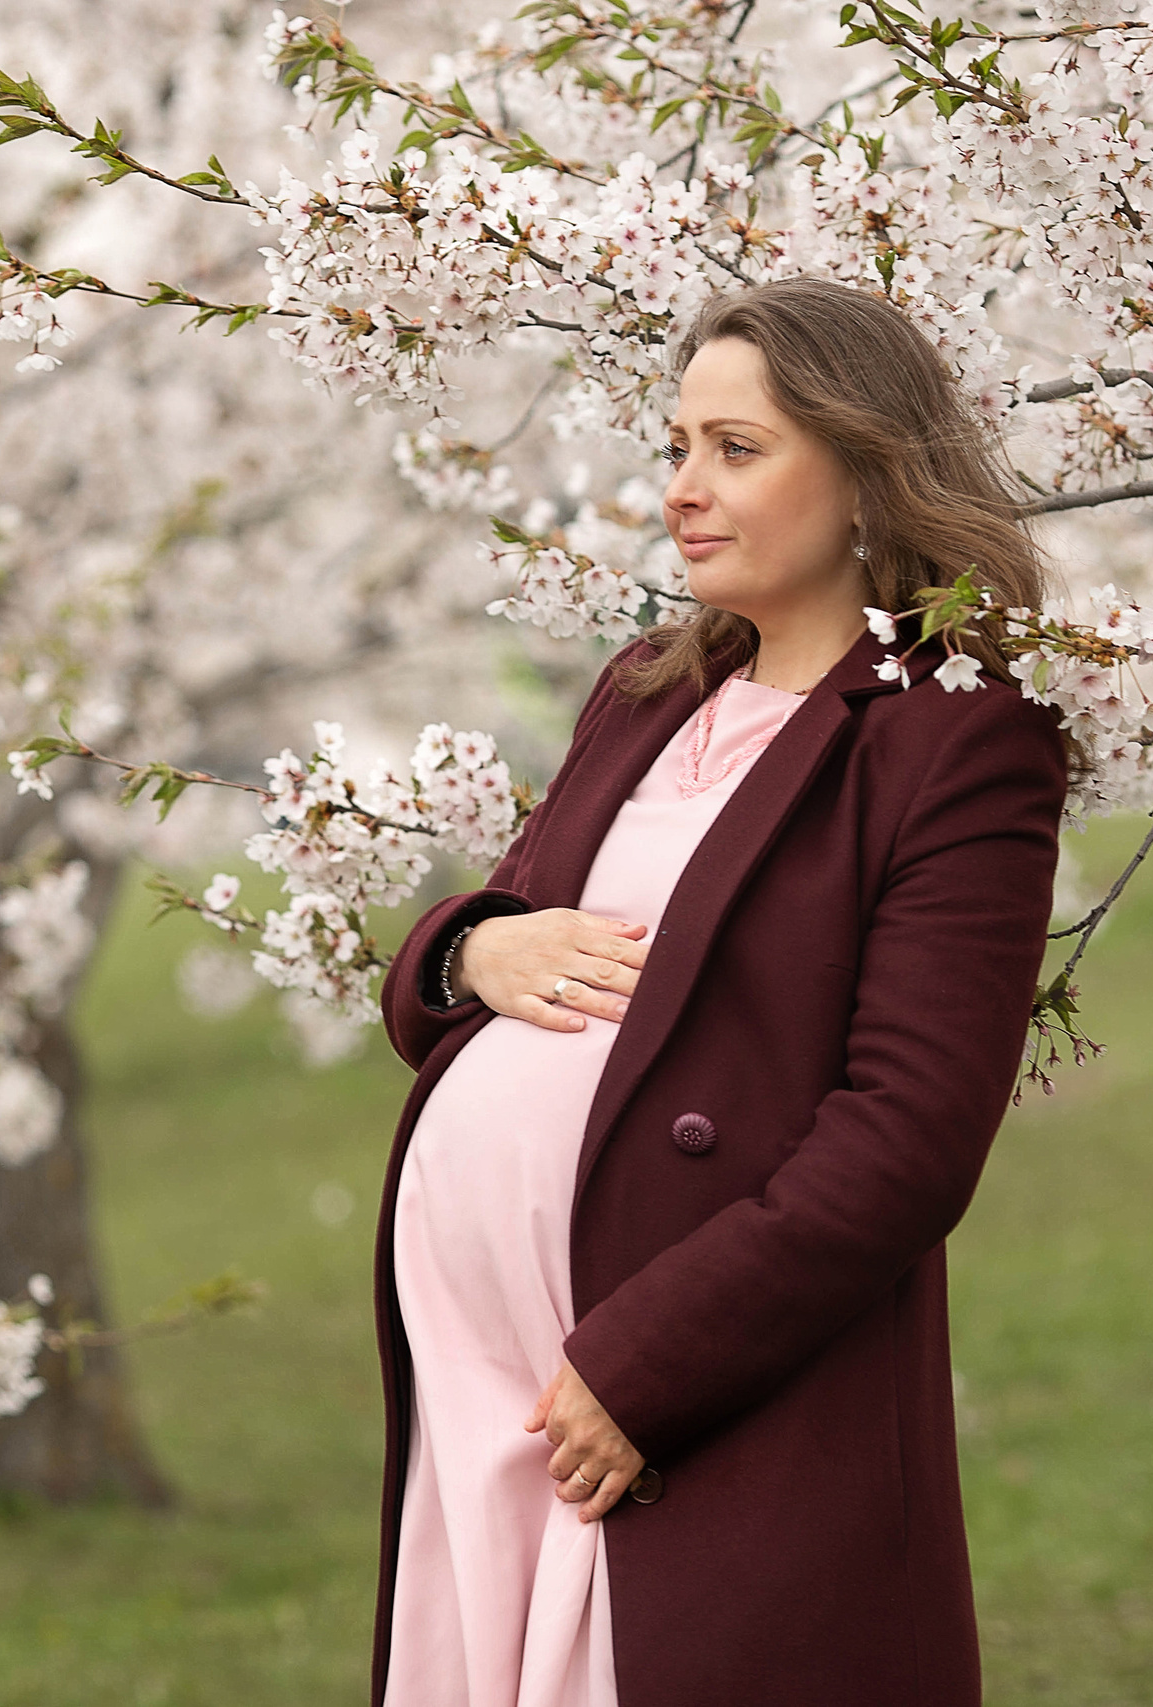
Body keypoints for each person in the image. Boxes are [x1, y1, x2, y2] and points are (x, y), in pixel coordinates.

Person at [371, 279, 1071, 1707]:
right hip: (483, 1397)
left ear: (868, 468)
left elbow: (908, 1137)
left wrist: (646, 1365)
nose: (685, 490)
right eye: (677, 447)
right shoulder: (645, 690)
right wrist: (466, 947)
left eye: (736, 450)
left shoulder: (955, 739)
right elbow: (493, 948)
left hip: (683, 1407)